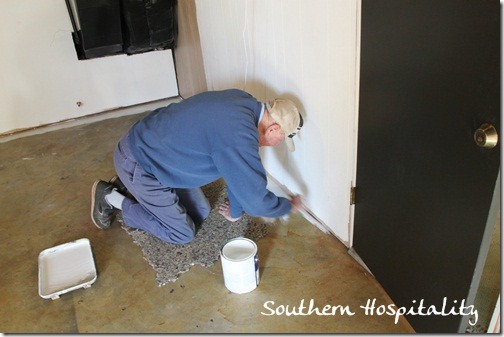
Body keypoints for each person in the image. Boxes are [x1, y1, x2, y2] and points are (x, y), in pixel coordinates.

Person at [90, 89, 304, 244]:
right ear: (274, 129)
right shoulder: (239, 137)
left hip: (152, 145)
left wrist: (236, 211)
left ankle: (129, 183)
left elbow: (236, 171)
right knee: (182, 233)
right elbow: (256, 203)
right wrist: (287, 206)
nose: (278, 144)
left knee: (201, 211)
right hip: (141, 163)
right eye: (282, 139)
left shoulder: (243, 102)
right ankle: (112, 198)